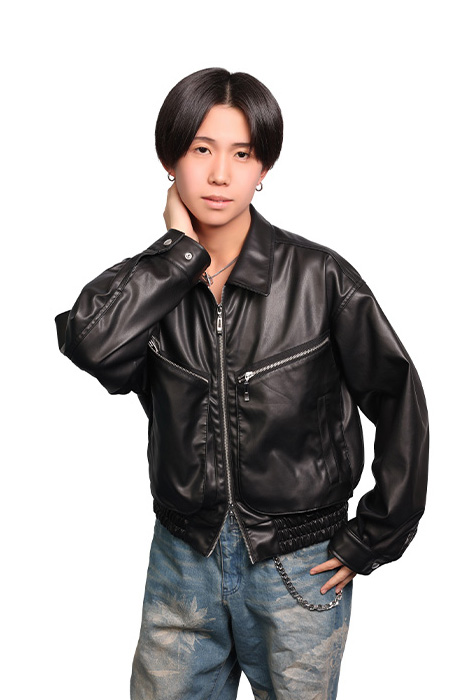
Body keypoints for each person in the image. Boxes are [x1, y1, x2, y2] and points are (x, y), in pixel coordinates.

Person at [55, 67, 429, 700]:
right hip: (182, 559)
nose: (220, 174)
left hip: (300, 565)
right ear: (170, 160)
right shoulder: (152, 288)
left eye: (242, 153)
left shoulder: (321, 278)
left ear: (264, 168)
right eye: (202, 149)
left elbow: (398, 398)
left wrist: (375, 534)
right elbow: (91, 345)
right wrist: (177, 253)